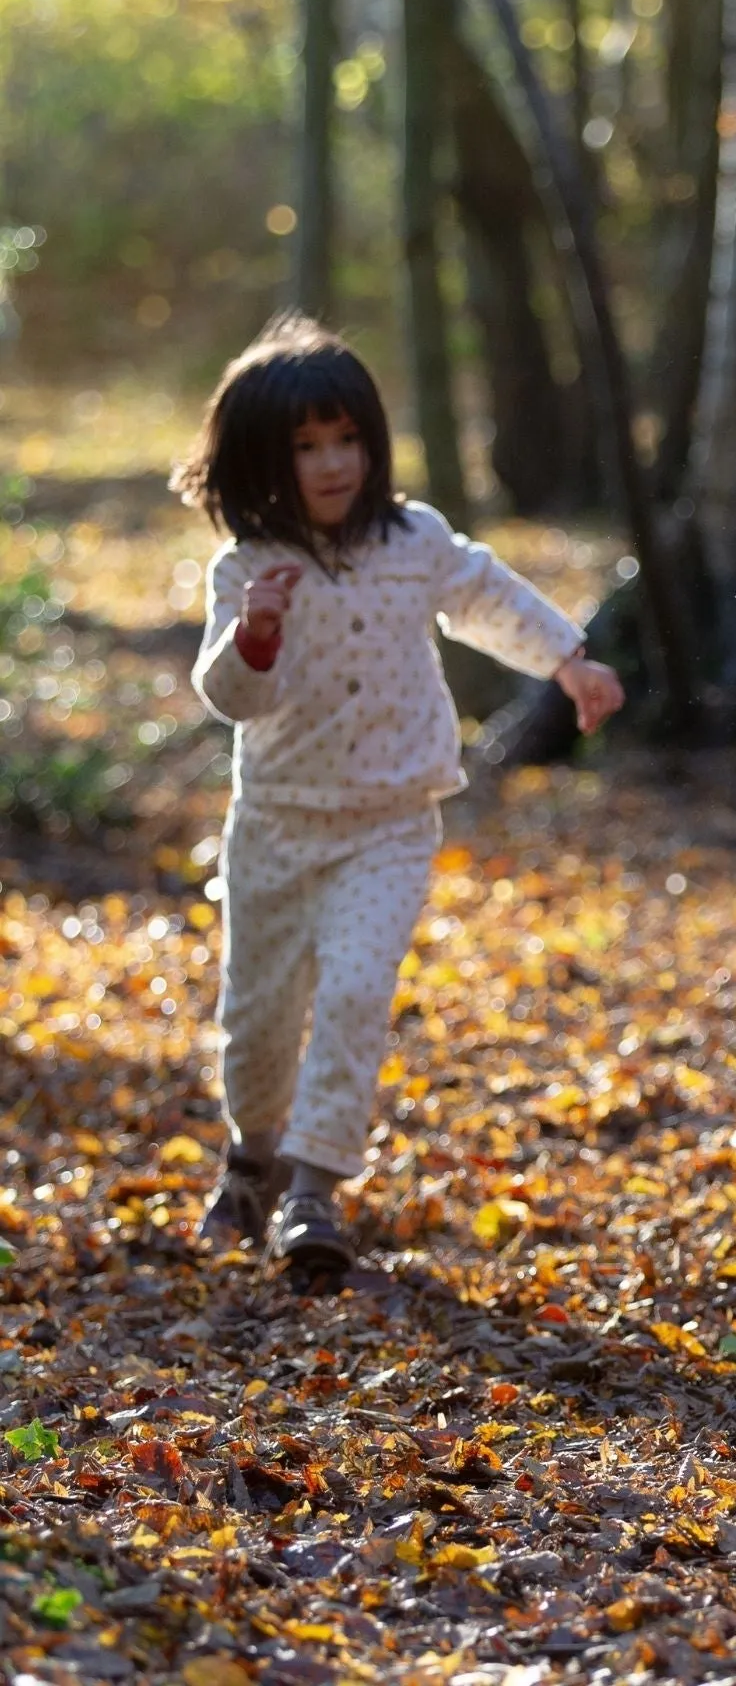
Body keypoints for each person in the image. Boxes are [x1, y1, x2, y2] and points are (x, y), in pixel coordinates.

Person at [174, 315, 624, 1279]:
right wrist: (255, 634)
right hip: (276, 825)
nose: (333, 464)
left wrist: (569, 663)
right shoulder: (247, 569)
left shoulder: (412, 540)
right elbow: (232, 699)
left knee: (352, 993)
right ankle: (251, 1157)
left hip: (389, 823)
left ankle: (312, 1191)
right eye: (304, 448)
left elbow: (489, 595)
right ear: (262, 460)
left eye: (347, 440)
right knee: (257, 1018)